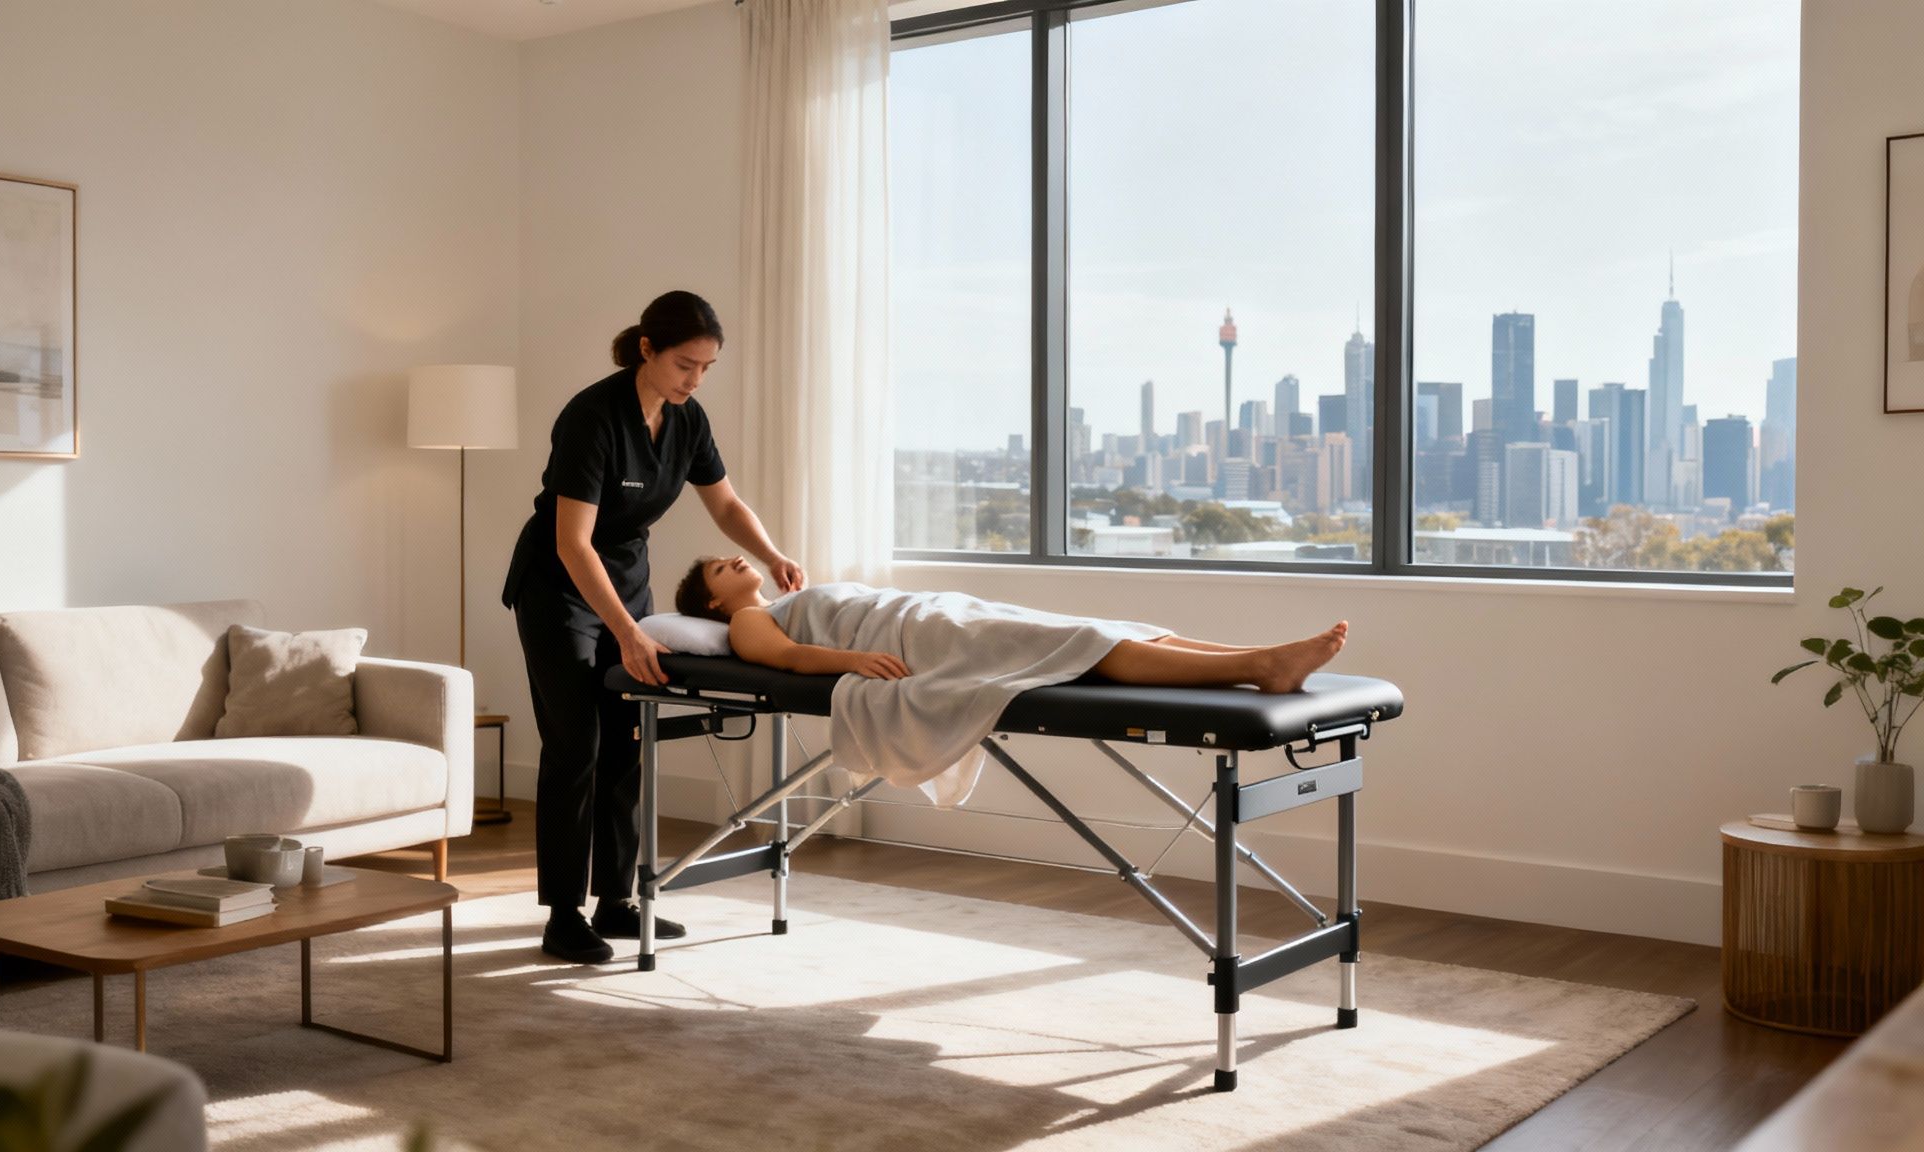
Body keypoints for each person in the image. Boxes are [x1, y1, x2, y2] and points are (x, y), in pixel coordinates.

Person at [503, 293, 803, 964]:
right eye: (684, 364)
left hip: (626, 582)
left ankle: (615, 901)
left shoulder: (686, 420)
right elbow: (574, 544)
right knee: (575, 745)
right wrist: (628, 632)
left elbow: (724, 502)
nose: (693, 380)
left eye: (705, 368)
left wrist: (772, 553)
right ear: (647, 348)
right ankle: (562, 914)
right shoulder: (591, 418)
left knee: (624, 744)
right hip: (560, 589)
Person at [672, 556, 1349, 805]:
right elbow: (789, 660)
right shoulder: (745, 624)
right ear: (711, 605)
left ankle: (1261, 659)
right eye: (720, 570)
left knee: (1097, 625)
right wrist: (851, 662)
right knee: (1076, 638)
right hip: (914, 636)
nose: (735, 562)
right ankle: (1258, 667)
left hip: (929, 614)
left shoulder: (774, 597)